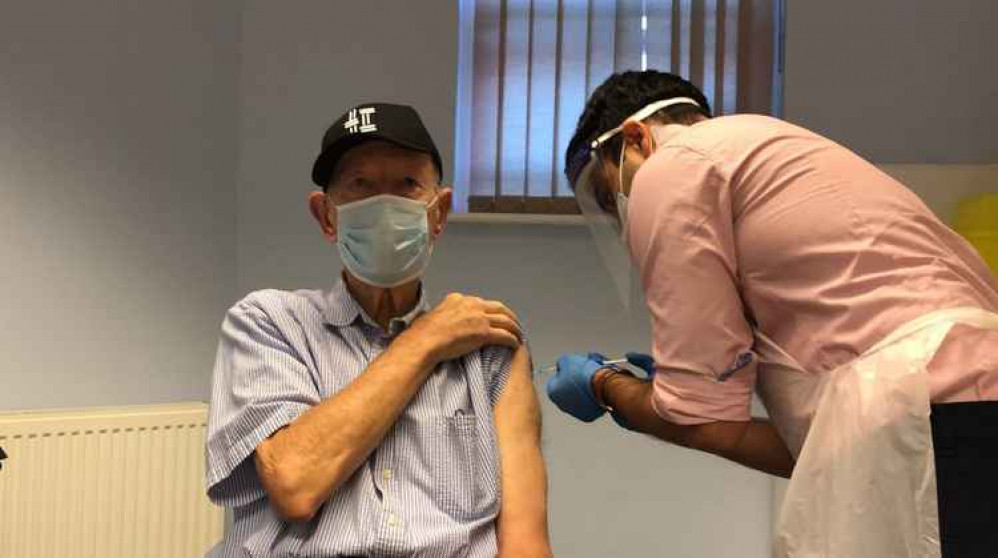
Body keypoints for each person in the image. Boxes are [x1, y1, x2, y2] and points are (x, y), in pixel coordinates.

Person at [545, 70, 998, 557]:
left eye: (612, 194)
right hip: (955, 407)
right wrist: (675, 396)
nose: (620, 215)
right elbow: (810, 453)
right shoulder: (776, 152)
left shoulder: (671, 166)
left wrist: (606, 387)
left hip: (928, 414)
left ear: (636, 138)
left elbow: (701, 421)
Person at [206, 103, 552, 558]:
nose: (384, 206)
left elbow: (525, 543)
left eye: (407, 184)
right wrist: (427, 340)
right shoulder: (268, 323)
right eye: (360, 186)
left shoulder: (489, 348)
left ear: (438, 213)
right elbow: (294, 482)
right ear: (326, 217)